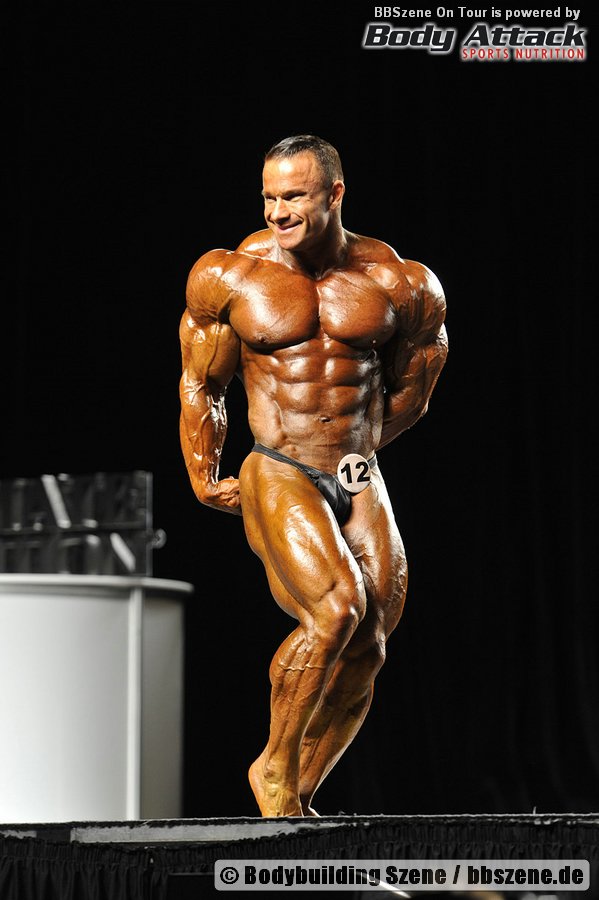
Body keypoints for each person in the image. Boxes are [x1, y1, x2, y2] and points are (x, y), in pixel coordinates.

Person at [179, 134, 448, 817]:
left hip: (357, 468)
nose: (278, 211)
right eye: (269, 197)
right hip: (278, 464)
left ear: (335, 193)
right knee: (335, 609)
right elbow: (201, 384)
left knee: (371, 642)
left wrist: (360, 449)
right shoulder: (230, 276)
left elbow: (414, 388)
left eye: (294, 196)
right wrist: (203, 474)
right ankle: (271, 769)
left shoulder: (399, 281)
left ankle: (296, 797)